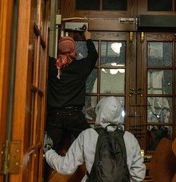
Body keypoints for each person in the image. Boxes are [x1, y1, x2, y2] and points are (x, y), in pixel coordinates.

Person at [45, 96, 146, 182]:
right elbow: (139, 174)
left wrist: (48, 151)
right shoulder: (129, 138)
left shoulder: (88, 136)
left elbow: (65, 167)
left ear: (100, 111)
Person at [44, 29, 98, 181]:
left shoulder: (52, 66)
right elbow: (93, 56)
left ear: (59, 50)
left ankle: (43, 178)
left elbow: (41, 52)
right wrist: (88, 38)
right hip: (75, 116)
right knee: (93, 144)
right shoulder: (80, 67)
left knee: (47, 151)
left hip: (54, 117)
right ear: (74, 50)